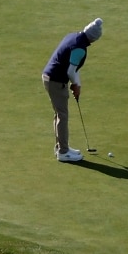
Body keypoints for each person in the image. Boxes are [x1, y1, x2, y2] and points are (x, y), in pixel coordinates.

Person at [40, 17, 103, 163]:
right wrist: (75, 85)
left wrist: (77, 85)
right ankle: (63, 152)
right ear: (94, 38)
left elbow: (74, 69)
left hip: (49, 77)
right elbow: (71, 71)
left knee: (59, 114)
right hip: (56, 81)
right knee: (62, 115)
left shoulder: (73, 36)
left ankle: (61, 146)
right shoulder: (80, 48)